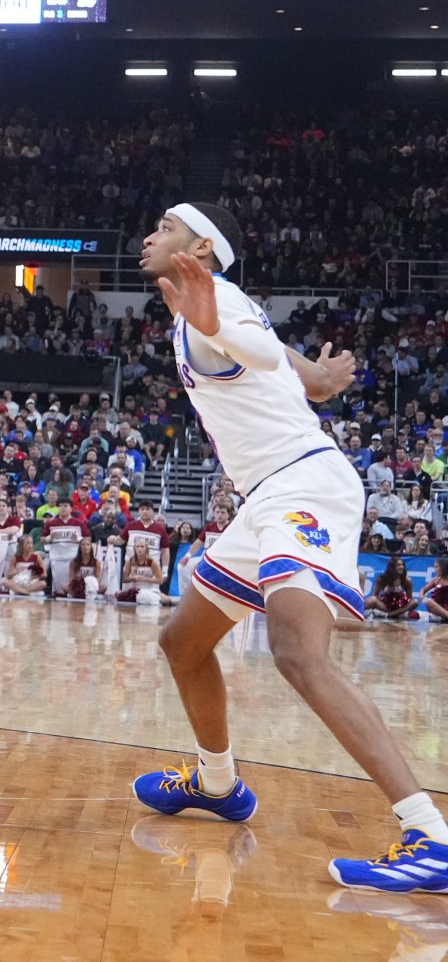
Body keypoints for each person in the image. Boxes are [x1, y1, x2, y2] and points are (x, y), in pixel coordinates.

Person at [129, 202, 448, 891]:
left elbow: (260, 347)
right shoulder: (210, 312)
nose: (150, 236)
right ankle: (218, 786)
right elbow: (291, 370)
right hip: (266, 498)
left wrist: (218, 322)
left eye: (167, 227)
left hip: (304, 485)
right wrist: (321, 379)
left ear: (204, 248)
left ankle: (430, 833)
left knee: (299, 654)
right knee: (183, 642)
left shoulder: (220, 304)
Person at [365, 556, 420, 621]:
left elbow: (409, 598)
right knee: (372, 600)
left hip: (400, 606)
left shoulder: (407, 581)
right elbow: (375, 595)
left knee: (415, 602)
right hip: (386, 605)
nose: (401, 567)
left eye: (402, 565)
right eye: (398, 565)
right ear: (392, 567)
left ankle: (393, 614)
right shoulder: (382, 579)